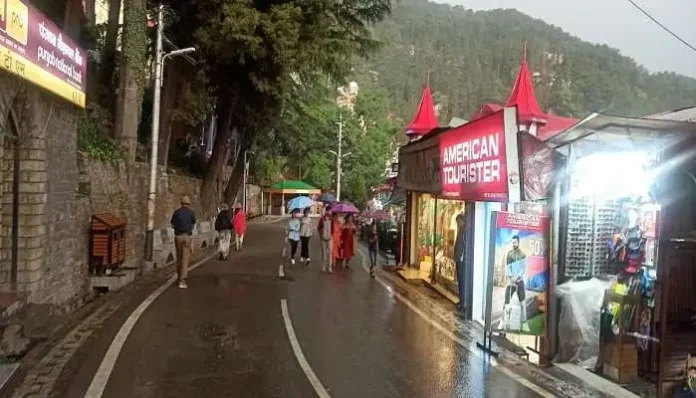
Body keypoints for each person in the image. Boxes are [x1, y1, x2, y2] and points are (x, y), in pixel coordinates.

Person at [170, 196, 197, 289]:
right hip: (187, 237)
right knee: (185, 258)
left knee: (179, 257)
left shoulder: (176, 212)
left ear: (181, 203)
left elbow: (172, 225)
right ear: (188, 203)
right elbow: (193, 224)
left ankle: (178, 276)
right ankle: (182, 280)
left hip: (178, 237)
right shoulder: (191, 213)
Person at [504, 235, 527, 329]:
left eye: (515, 242)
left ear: (518, 242)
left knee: (522, 304)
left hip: (519, 281)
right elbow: (508, 266)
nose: (514, 244)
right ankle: (506, 323)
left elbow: (523, 268)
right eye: (512, 242)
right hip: (511, 282)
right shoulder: (509, 254)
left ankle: (524, 324)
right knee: (506, 302)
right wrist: (510, 277)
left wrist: (517, 277)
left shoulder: (523, 254)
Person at [453, 213, 467, 314]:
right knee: (460, 282)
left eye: (458, 221)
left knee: (462, 282)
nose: (457, 223)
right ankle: (461, 301)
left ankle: (463, 303)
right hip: (459, 259)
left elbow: (462, 246)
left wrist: (459, 257)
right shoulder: (461, 230)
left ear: (462, 221)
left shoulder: (463, 231)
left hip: (461, 261)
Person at [317, 208, 333, 273]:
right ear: (326, 211)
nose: (329, 212)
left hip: (330, 238)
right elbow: (319, 227)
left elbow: (333, 228)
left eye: (330, 210)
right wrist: (321, 234)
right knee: (324, 252)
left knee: (330, 252)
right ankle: (323, 266)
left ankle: (329, 267)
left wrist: (331, 235)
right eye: (328, 210)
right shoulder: (322, 219)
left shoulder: (331, 219)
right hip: (323, 238)